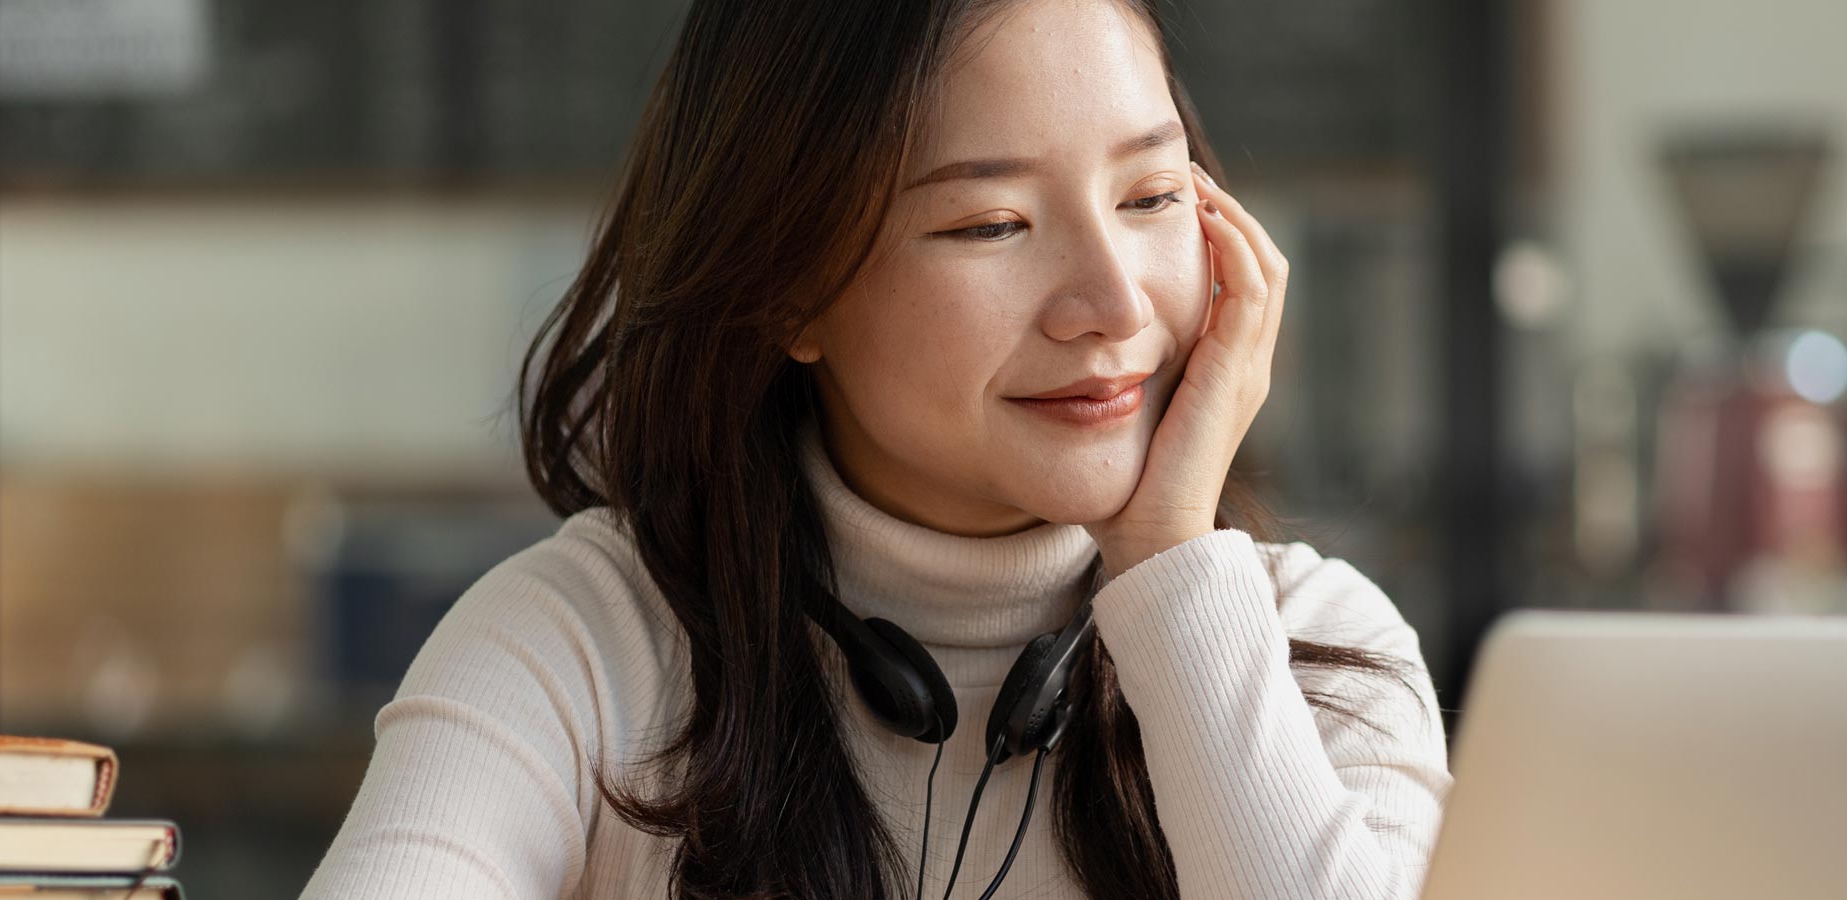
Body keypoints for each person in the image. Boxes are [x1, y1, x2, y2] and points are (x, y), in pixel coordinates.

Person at [299, 0, 1449, 897]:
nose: (1111, 302)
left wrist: (1167, 565)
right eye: (991, 224)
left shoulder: (1325, 654)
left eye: (1151, 196)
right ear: (789, 283)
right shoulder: (579, 646)